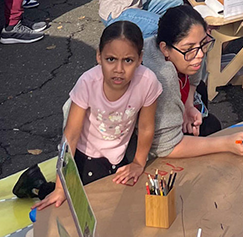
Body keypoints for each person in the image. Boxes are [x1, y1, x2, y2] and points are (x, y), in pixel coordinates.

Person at [36, 21, 161, 204]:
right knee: (81, 200)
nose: (119, 70)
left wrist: (138, 163)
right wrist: (60, 188)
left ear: (140, 58)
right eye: (111, 59)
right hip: (86, 154)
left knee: (122, 200)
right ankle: (39, 185)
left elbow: (146, 126)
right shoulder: (87, 82)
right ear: (99, 56)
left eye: (128, 60)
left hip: (119, 156)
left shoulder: (148, 81)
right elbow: (71, 135)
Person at [144, 5, 243, 158]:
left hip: (174, 111)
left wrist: (187, 106)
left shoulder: (187, 52)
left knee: (207, 111)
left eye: (203, 43)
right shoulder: (160, 80)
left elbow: (194, 80)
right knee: (211, 129)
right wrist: (226, 144)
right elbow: (166, 147)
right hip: (148, 147)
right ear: (165, 49)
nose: (199, 55)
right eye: (190, 48)